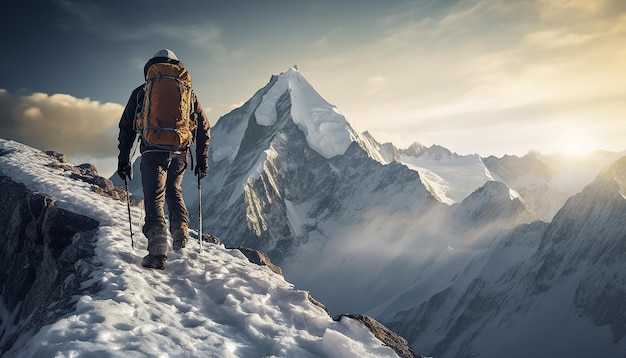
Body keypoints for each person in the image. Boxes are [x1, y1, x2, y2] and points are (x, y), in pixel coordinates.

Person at [117, 48, 210, 270]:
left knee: (154, 196)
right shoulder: (189, 94)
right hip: (180, 152)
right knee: (174, 190)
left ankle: (157, 251)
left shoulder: (142, 92)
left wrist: (123, 159)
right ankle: (180, 232)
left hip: (152, 151)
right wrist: (202, 160)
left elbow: (126, 128)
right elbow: (204, 128)